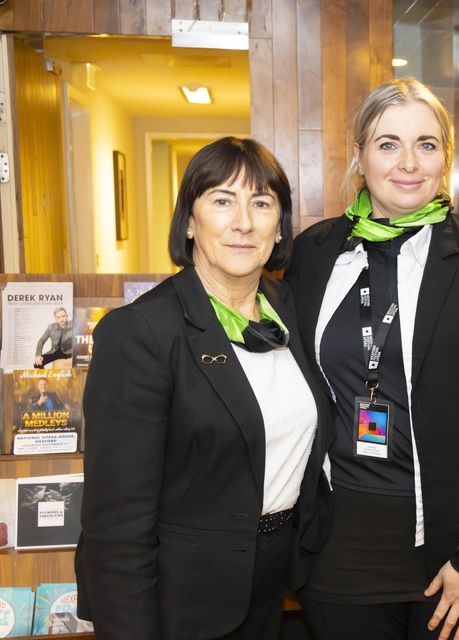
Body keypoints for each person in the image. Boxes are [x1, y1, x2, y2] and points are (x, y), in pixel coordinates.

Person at [286, 77, 459, 640]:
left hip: (456, 545)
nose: (408, 163)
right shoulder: (316, 251)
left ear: (446, 157)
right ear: (359, 156)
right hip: (338, 546)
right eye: (387, 143)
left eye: (426, 144)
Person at [75, 137, 333, 640]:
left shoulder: (286, 306)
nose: (243, 222)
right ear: (190, 221)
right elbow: (117, 525)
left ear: (279, 225)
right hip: (182, 600)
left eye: (261, 204)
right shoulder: (141, 334)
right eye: (222, 201)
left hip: (273, 581)